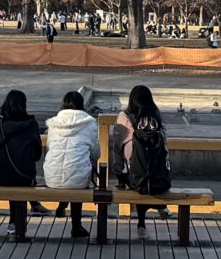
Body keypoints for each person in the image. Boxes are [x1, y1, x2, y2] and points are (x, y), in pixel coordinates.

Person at [41, 90, 98, 238]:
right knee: (77, 170)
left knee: (68, 167)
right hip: (77, 179)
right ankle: (76, 226)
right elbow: (96, 153)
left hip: (52, 176)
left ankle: (63, 203)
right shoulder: (89, 123)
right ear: (81, 105)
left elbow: (49, 147)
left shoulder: (53, 123)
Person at [111, 83, 171, 225]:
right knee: (145, 177)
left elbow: (118, 149)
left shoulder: (124, 116)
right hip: (160, 179)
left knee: (138, 179)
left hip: (135, 179)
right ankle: (161, 207)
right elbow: (165, 149)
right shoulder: (156, 116)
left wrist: (119, 177)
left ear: (131, 100)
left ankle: (142, 223)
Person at [0, 89, 44, 192]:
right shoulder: (31, 123)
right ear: (24, 104)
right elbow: (37, 155)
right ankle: (34, 204)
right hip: (24, 177)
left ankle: (32, 204)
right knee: (22, 173)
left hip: (0, 176)